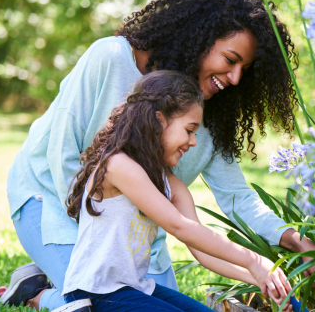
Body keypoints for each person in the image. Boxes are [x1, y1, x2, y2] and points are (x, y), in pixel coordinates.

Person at [1, 0, 315, 310]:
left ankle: (51, 283)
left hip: (134, 235)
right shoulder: (112, 57)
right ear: (200, 38)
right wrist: (95, 242)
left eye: (245, 69)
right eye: (230, 60)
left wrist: (295, 240)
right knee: (89, 301)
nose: (235, 78)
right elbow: (62, 154)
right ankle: (40, 294)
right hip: (51, 201)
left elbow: (237, 199)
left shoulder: (205, 118)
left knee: (147, 300)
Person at [59, 70, 292, 312]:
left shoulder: (169, 183)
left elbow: (202, 250)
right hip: (95, 293)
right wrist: (253, 260)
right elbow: (180, 226)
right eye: (189, 130)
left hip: (135, 288)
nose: (193, 141)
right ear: (159, 120)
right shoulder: (118, 166)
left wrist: (261, 278)